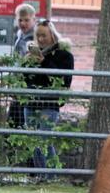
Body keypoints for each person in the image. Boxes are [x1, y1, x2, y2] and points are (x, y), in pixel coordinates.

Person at [22, 19, 74, 170]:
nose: (40, 39)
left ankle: (48, 174)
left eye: (44, 35)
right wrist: (26, 63)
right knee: (34, 140)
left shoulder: (64, 55)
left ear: (52, 35)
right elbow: (25, 79)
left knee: (43, 139)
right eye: (37, 35)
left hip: (49, 103)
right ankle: (42, 174)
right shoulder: (32, 53)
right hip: (31, 102)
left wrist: (43, 62)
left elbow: (62, 80)